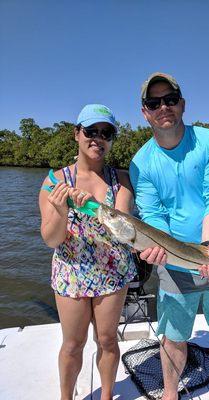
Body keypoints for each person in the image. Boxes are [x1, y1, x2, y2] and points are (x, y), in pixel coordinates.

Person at [129, 73, 209, 400]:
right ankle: (170, 394)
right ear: (144, 112)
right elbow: (153, 216)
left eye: (170, 99)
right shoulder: (141, 163)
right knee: (172, 338)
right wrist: (157, 252)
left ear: (182, 104)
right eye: (153, 103)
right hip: (173, 266)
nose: (163, 107)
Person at [39, 104, 136, 400]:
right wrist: (60, 209)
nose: (98, 138)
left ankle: (106, 396)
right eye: (91, 131)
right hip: (72, 271)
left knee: (107, 340)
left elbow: (124, 231)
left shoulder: (121, 180)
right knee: (73, 344)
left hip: (112, 271)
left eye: (106, 132)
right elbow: (51, 239)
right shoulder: (55, 182)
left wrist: (93, 208)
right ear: (76, 134)